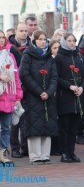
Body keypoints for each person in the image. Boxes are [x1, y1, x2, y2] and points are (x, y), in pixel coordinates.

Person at [19, 30, 58, 165]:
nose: (43, 41)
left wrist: (49, 91)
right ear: (34, 40)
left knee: (47, 123)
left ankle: (45, 155)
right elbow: (24, 75)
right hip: (32, 96)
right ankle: (35, 156)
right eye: (40, 39)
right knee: (34, 125)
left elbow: (54, 76)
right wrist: (39, 91)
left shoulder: (49, 57)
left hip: (48, 96)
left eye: (44, 39)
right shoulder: (28, 55)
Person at [55, 33, 84, 163]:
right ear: (64, 42)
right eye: (69, 40)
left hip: (78, 96)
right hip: (65, 96)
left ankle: (72, 151)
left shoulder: (80, 57)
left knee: (74, 127)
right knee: (64, 126)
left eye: (73, 40)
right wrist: (69, 86)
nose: (72, 43)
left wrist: (82, 88)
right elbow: (57, 77)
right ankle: (64, 152)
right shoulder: (59, 57)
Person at [0, 30, 23, 165]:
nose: (1, 40)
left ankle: (3, 153)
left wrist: (18, 97)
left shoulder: (10, 56)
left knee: (6, 128)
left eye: (3, 38)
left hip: (8, 98)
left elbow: (16, 78)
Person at [8, 22, 31, 158]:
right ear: (15, 31)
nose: (23, 33)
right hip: (14, 86)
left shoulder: (30, 46)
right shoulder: (10, 48)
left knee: (26, 118)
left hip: (27, 86)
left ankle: (25, 147)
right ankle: (15, 148)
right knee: (15, 120)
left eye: (25, 31)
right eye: (21, 30)